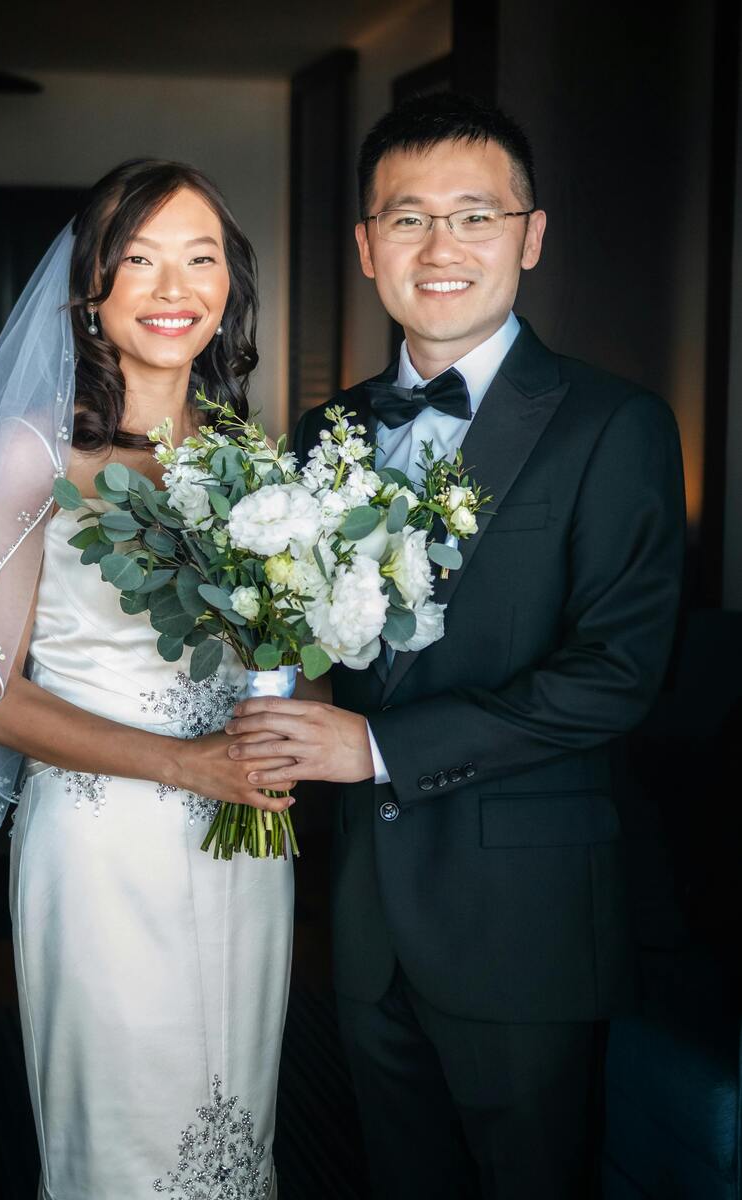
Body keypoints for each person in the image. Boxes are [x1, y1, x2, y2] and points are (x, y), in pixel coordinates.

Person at [224, 93, 686, 1199]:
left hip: (522, 922)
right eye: (409, 218)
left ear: (530, 236)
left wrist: (371, 749)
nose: (441, 248)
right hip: (366, 920)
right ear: (367, 245)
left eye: (475, 217)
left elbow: (616, 679)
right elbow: (304, 633)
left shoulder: (615, 425)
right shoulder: (324, 432)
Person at [0, 159, 295, 1200]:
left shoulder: (255, 457)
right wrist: (187, 764)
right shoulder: (33, 451)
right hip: (104, 845)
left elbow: (273, 650)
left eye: (200, 259)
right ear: (91, 289)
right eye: (140, 261)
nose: (175, 290)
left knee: (235, 1130)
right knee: (124, 1139)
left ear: (230, 284)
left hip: (245, 845)